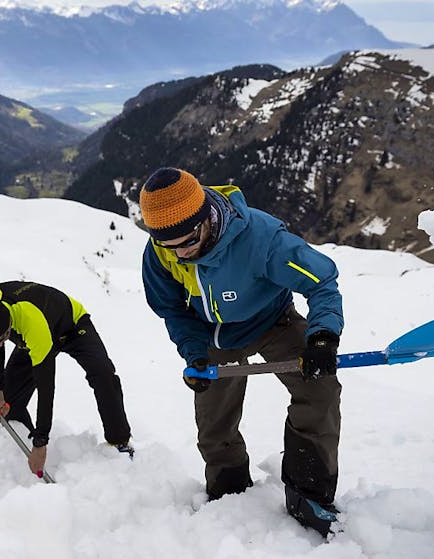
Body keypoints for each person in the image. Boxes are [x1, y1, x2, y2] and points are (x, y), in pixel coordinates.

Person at [139, 167, 344, 538]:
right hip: (212, 337)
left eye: (186, 241)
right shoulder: (161, 252)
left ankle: (308, 492)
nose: (180, 254)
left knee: (319, 390)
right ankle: (228, 488)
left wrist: (322, 337)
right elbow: (171, 308)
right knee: (214, 423)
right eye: (169, 246)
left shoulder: (262, 239)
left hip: (272, 321)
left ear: (205, 220)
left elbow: (322, 282)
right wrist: (193, 351)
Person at [0, 281, 133, 478]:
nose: (1, 343)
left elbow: (46, 388)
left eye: (5, 337)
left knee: (103, 374)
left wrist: (41, 442)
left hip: (72, 327)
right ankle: (23, 441)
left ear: (9, 321)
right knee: (10, 403)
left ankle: (119, 442)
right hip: (32, 335)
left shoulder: (31, 321)